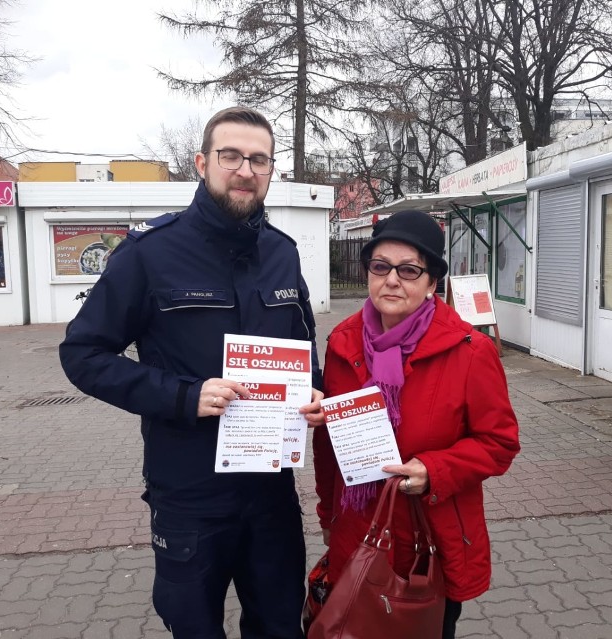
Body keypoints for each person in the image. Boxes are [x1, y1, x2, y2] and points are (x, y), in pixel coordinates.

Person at [59, 106, 325, 639]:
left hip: (270, 491)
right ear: (203, 164)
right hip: (189, 493)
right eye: (231, 156)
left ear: (271, 170)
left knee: (280, 627)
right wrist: (183, 396)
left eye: (259, 159)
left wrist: (314, 390)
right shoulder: (149, 254)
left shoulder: (282, 253)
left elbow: (303, 347)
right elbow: (83, 354)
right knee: (194, 627)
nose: (245, 170)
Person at [312, 209, 520, 639]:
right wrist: (328, 514)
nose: (392, 280)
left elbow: (499, 443)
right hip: (357, 533)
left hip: (430, 543)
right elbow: (329, 450)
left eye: (408, 270)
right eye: (380, 266)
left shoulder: (469, 351)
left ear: (431, 283)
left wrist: (435, 471)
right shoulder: (341, 344)